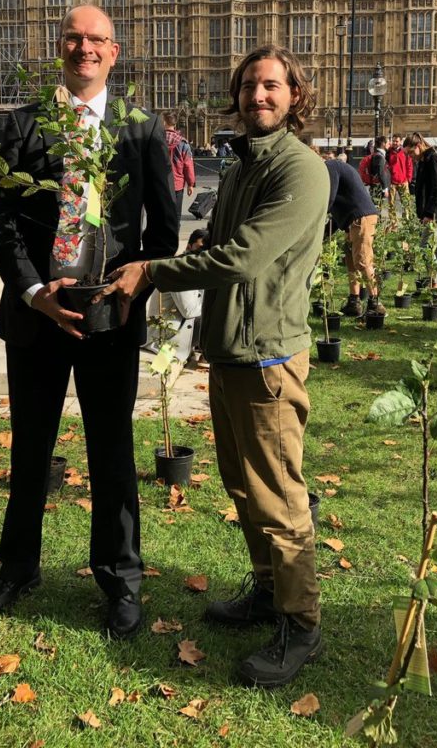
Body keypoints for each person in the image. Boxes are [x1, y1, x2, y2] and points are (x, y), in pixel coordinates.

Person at [99, 44, 329, 687]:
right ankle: (266, 592)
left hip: (269, 359)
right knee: (244, 487)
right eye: (251, 85)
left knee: (279, 496)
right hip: (232, 353)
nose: (259, 95)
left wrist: (154, 270)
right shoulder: (244, 164)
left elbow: (245, 258)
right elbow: (222, 245)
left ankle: (301, 624)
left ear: (295, 97)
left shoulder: (300, 169)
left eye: (273, 87)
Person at [0, 4, 177, 639]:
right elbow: (2, 222)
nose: (84, 49)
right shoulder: (25, 125)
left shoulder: (141, 129)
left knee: (111, 449)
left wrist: (130, 289)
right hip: (37, 315)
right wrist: (33, 290)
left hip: (107, 317)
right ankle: (18, 568)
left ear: (114, 53)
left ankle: (121, 580)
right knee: (31, 445)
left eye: (97, 40)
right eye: (74, 39)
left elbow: (162, 229)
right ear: (60, 47)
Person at [325, 158, 385, 317]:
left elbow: (328, 199)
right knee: (351, 262)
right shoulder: (335, 167)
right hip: (354, 220)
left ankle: (375, 303)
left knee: (363, 261)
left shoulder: (330, 167)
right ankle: (354, 302)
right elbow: (337, 207)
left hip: (361, 218)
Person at [144, 228, 207, 362]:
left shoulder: (200, 268)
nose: (203, 254)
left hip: (182, 338)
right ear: (188, 247)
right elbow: (189, 310)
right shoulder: (179, 269)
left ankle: (206, 356)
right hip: (165, 343)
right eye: (200, 248)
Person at [402, 134, 437, 292]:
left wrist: (430, 213)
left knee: (429, 245)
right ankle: (434, 280)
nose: (410, 157)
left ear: (418, 146)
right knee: (431, 245)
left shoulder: (434, 159)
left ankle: (436, 282)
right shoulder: (425, 160)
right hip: (433, 211)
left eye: (411, 153)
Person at [162, 112, 196, 222]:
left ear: (163, 122)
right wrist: (190, 184)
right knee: (176, 215)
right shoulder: (183, 143)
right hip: (177, 184)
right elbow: (188, 165)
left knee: (160, 214)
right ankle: (174, 237)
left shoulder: (155, 140)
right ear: (175, 124)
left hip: (160, 183)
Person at [387, 134, 413, 210]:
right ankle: (393, 221)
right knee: (391, 205)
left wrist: (408, 179)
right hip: (392, 182)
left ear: (401, 141)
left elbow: (409, 166)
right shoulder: (388, 152)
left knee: (406, 204)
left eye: (397, 141)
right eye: (393, 141)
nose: (395, 143)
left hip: (403, 181)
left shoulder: (405, 152)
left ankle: (407, 220)